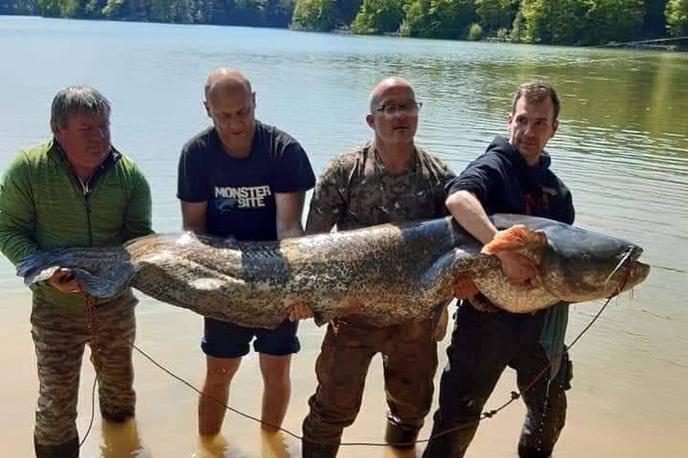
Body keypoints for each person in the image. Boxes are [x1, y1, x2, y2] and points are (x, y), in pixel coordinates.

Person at [301, 76, 456, 457]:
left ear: (418, 113)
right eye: (389, 108)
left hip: (416, 320)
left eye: (408, 105)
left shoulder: (441, 178)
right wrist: (305, 298)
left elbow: (457, 250)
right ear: (371, 120)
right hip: (351, 316)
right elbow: (311, 246)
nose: (400, 114)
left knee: (412, 408)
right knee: (332, 408)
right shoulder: (344, 171)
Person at [422, 82, 575, 458]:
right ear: (509, 122)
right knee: (457, 418)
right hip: (485, 320)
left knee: (549, 412)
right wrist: (500, 247)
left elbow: (567, 258)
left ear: (554, 128)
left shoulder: (559, 193)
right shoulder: (493, 167)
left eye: (540, 123)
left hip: (540, 322)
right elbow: (458, 198)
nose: (529, 132)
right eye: (522, 120)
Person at [0, 86, 152, 458]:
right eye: (87, 129)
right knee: (55, 408)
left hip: (114, 308)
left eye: (104, 126)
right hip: (54, 310)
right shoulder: (28, 170)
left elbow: (140, 243)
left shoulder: (129, 177)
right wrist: (48, 272)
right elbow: (7, 229)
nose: (99, 137)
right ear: (58, 130)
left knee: (120, 397)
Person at [177, 68, 316, 436]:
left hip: (277, 275)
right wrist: (204, 288)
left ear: (254, 102)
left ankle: (269, 441)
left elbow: (289, 227)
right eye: (224, 116)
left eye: (242, 112)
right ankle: (207, 446)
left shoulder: (284, 151)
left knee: (276, 370)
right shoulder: (196, 155)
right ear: (207, 109)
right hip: (224, 277)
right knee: (219, 372)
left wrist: (298, 287)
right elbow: (193, 231)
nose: (235, 123)